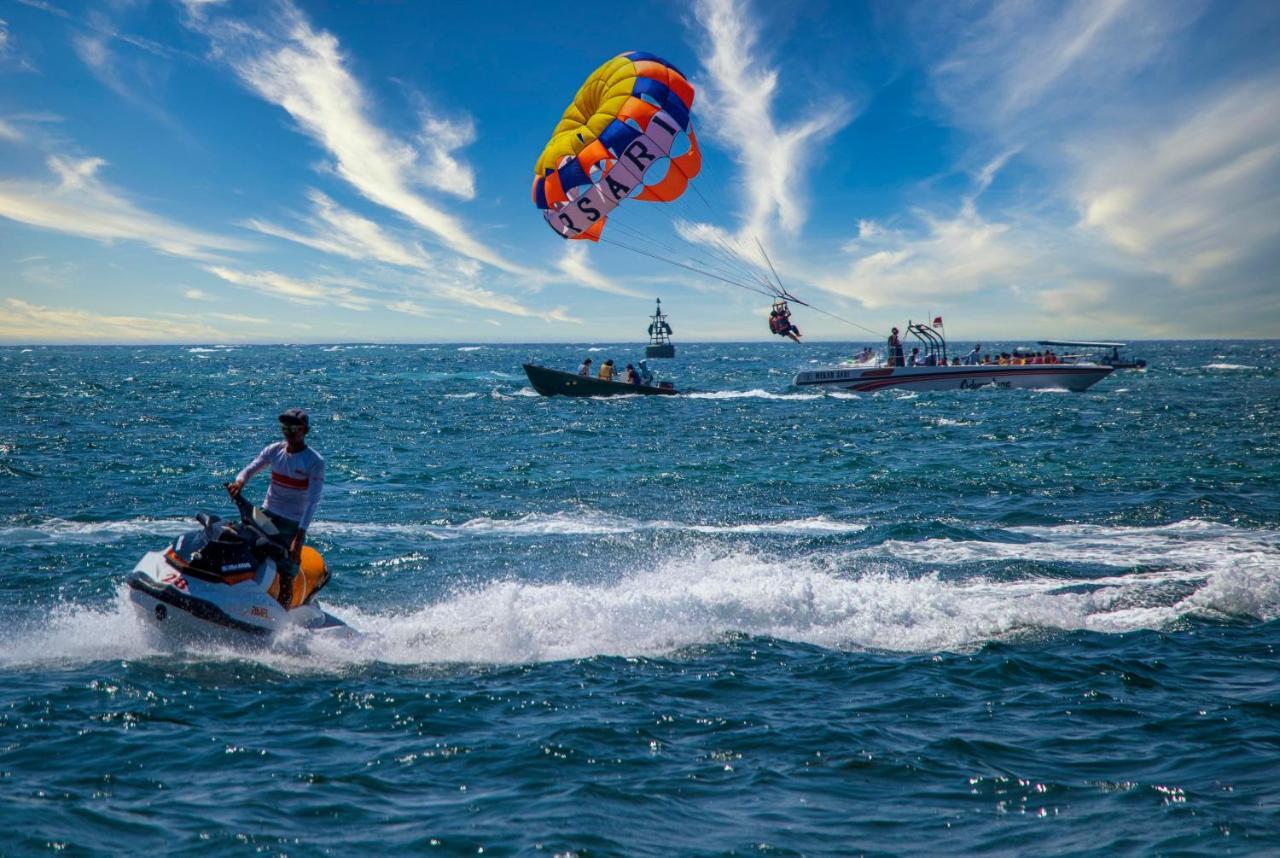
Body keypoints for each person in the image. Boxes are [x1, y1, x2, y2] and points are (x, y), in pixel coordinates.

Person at [227, 408, 324, 608]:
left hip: (292, 522)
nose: (288, 432)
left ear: (305, 430)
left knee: (287, 569)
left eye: (294, 428)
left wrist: (300, 536)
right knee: (236, 536)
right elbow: (250, 468)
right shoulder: (274, 450)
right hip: (267, 514)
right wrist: (239, 482)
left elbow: (312, 502)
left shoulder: (314, 462)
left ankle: (282, 616)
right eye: (285, 427)